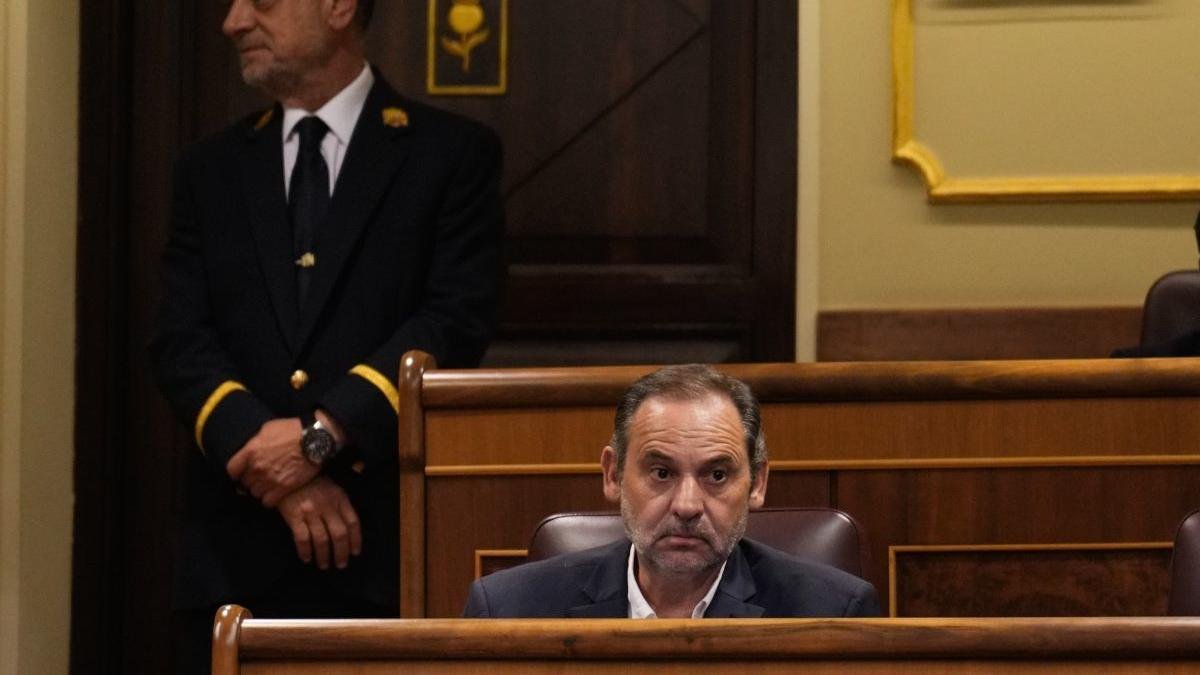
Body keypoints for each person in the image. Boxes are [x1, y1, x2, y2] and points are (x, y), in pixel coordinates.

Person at [149, 0, 503, 669]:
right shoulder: (210, 168)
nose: (233, 21)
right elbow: (179, 338)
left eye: (261, 1)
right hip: (233, 562)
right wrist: (277, 470)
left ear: (338, 7)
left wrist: (324, 434)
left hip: (381, 550)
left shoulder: (449, 154)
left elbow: (453, 319)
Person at [462, 365, 880, 619]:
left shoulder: (831, 612)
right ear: (613, 475)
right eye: (661, 473)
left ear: (757, 483)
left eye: (717, 475)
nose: (687, 505)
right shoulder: (509, 609)